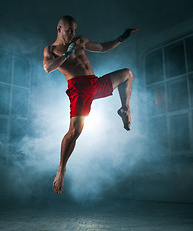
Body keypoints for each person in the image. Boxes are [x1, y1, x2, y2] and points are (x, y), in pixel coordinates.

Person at [43, 15, 137, 194]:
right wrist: (66, 54)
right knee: (75, 132)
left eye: (74, 30)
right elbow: (48, 68)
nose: (72, 33)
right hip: (79, 89)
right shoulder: (51, 49)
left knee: (127, 73)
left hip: (95, 84)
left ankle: (124, 108)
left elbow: (102, 48)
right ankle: (61, 169)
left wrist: (122, 37)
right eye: (69, 30)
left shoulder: (81, 41)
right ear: (59, 29)